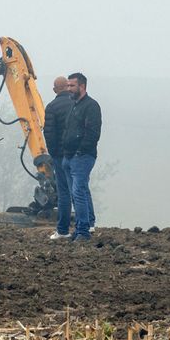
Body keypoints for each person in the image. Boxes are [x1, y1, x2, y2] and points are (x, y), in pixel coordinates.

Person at [61, 73, 102, 241]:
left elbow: (92, 133)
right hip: (69, 156)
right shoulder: (74, 105)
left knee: (79, 192)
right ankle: (79, 229)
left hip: (82, 157)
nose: (69, 88)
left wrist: (80, 151)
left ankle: (84, 231)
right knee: (75, 192)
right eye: (68, 85)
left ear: (82, 86)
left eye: (72, 86)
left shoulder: (91, 106)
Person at [42, 76, 75, 240]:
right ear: (67, 87)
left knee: (64, 193)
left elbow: (49, 133)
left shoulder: (52, 107)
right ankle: (86, 226)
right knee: (79, 190)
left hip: (60, 155)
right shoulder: (76, 104)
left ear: (55, 89)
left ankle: (62, 230)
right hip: (77, 154)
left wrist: (53, 153)